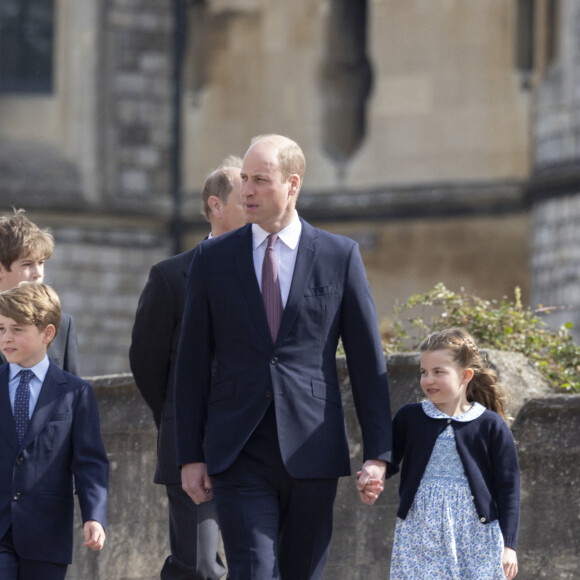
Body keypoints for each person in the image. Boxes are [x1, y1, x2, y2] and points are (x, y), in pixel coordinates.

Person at [174, 134, 392, 579]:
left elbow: (368, 362)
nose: (247, 191)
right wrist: (189, 455)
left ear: (292, 184)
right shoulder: (212, 260)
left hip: (313, 445)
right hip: (238, 448)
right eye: (244, 180)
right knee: (252, 572)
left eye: (260, 180)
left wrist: (378, 454)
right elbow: (191, 363)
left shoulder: (339, 256)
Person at [129, 157, 246, 580]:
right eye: (243, 196)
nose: (254, 202)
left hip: (254, 444)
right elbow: (146, 362)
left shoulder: (272, 272)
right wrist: (177, 416)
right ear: (215, 205)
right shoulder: (171, 275)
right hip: (191, 446)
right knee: (197, 566)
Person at [383, 327, 520, 580]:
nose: (428, 380)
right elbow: (387, 459)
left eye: (438, 372)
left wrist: (509, 545)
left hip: (476, 535)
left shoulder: (490, 424)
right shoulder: (409, 417)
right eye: (423, 372)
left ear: (465, 375)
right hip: (420, 531)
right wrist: (373, 471)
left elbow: (508, 487)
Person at [0, 282, 109, 580]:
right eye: (1, 329)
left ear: (48, 333)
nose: (6, 338)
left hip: (47, 532)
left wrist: (94, 516)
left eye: (17, 329)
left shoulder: (76, 393)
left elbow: (90, 462)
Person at [0, 209, 80, 374]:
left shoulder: (62, 325)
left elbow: (73, 392)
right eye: (27, 264)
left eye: (41, 262)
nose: (38, 273)